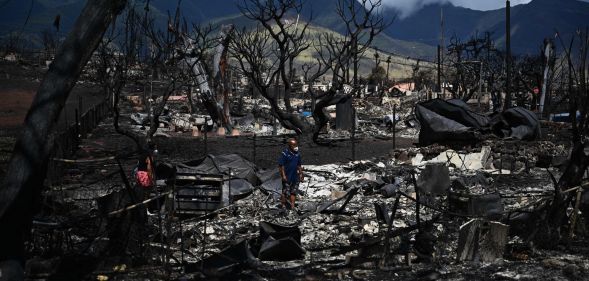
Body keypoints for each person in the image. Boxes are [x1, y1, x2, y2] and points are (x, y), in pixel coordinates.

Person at [278, 138, 304, 210]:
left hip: (295, 176)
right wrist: (283, 175)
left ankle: (292, 206)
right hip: (287, 176)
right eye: (294, 145)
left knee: (293, 191)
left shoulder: (297, 154)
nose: (296, 147)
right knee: (285, 191)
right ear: (290, 146)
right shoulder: (284, 154)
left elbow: (299, 165)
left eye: (296, 145)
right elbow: (281, 166)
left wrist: (301, 174)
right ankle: (283, 204)